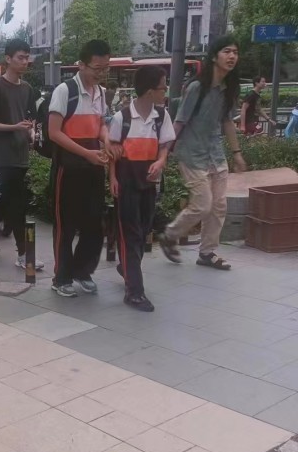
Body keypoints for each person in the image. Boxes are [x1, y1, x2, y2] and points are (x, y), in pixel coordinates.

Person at [159, 35, 247, 270]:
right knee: (202, 204)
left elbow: (227, 122)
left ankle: (207, 253)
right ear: (214, 56)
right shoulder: (197, 87)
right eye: (227, 51)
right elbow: (179, 122)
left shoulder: (229, 88)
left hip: (215, 154)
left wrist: (237, 153)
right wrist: (164, 153)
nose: (232, 56)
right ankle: (170, 234)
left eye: (235, 52)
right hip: (192, 154)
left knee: (218, 207)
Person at [48, 39, 118, 298]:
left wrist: (106, 140)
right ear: (81, 65)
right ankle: (61, 278)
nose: (101, 73)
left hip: (93, 166)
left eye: (105, 68)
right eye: (97, 68)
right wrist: (86, 153)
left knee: (94, 224)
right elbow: (54, 132)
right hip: (68, 169)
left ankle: (82, 271)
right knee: (65, 226)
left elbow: (100, 125)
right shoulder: (65, 91)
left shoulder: (99, 92)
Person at [109, 65, 176, 312]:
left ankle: (127, 266)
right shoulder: (122, 118)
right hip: (126, 183)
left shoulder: (161, 116)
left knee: (145, 229)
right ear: (150, 91)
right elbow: (112, 151)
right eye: (163, 87)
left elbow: (165, 144)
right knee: (131, 235)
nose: (165, 91)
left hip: (148, 184)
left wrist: (161, 161)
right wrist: (112, 178)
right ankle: (134, 292)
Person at [0, 39, 43, 270]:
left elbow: (28, 120)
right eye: (21, 57)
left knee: (10, 200)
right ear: (8, 59)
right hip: (3, 153)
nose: (25, 61)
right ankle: (23, 254)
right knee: (17, 204)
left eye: (27, 57)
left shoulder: (27, 89)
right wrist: (14, 127)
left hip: (21, 152)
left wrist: (30, 133)